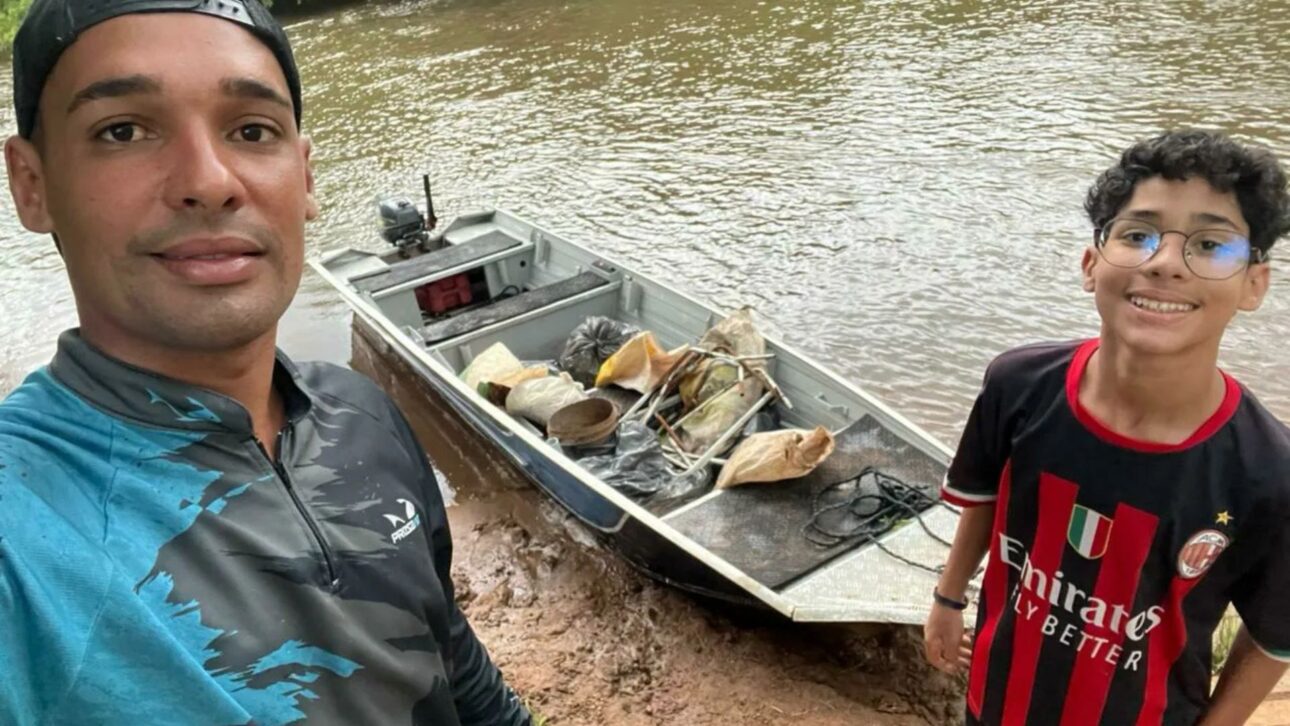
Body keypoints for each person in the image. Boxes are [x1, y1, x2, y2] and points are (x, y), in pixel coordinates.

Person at [0, 0, 531, 723]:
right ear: (32, 185)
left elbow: (454, 665)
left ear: (305, 177)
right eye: (121, 130)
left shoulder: (360, 411)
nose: (210, 179)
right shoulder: (23, 529)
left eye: (252, 130)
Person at [924, 130, 1290, 725]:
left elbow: (1274, 634)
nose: (1166, 263)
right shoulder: (1019, 386)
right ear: (1092, 264)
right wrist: (948, 597)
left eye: (1210, 245)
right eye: (1139, 235)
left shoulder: (1267, 472)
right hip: (995, 699)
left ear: (1254, 284)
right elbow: (987, 496)